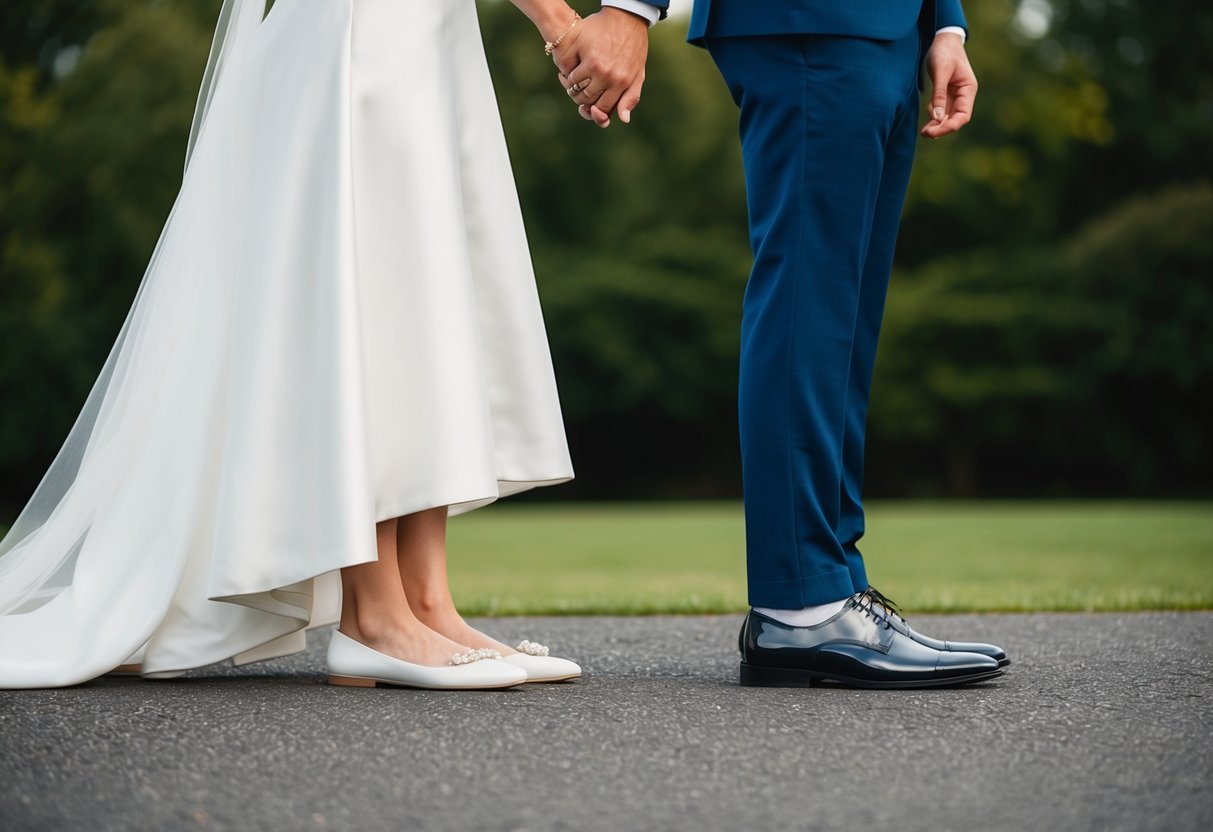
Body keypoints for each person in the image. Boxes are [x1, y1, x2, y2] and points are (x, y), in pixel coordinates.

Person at [0, 0, 656, 690]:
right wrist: (557, 22)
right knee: (365, 297)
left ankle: (426, 603)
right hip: (362, 28)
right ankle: (374, 617)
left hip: (425, 25)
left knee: (418, 305)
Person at [675, 0, 1008, 687]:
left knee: (842, 328)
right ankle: (800, 604)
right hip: (801, 22)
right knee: (807, 300)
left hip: (892, 29)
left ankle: (834, 587)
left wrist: (944, 23)